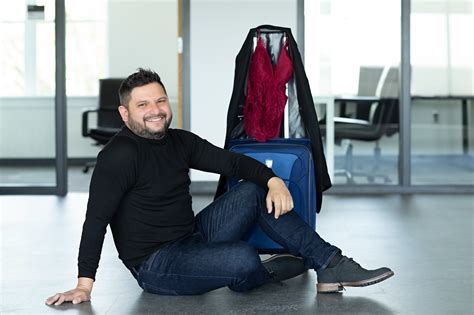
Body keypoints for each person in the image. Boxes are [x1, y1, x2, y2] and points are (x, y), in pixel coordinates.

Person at [46, 68, 393, 306]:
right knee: (243, 258)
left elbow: (235, 163)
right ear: (125, 114)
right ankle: (262, 273)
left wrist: (273, 181)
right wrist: (83, 285)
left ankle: (331, 264)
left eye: (160, 101)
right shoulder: (117, 157)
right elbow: (95, 221)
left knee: (252, 190)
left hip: (193, 236)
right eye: (144, 104)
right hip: (155, 265)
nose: (156, 110)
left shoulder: (180, 142)